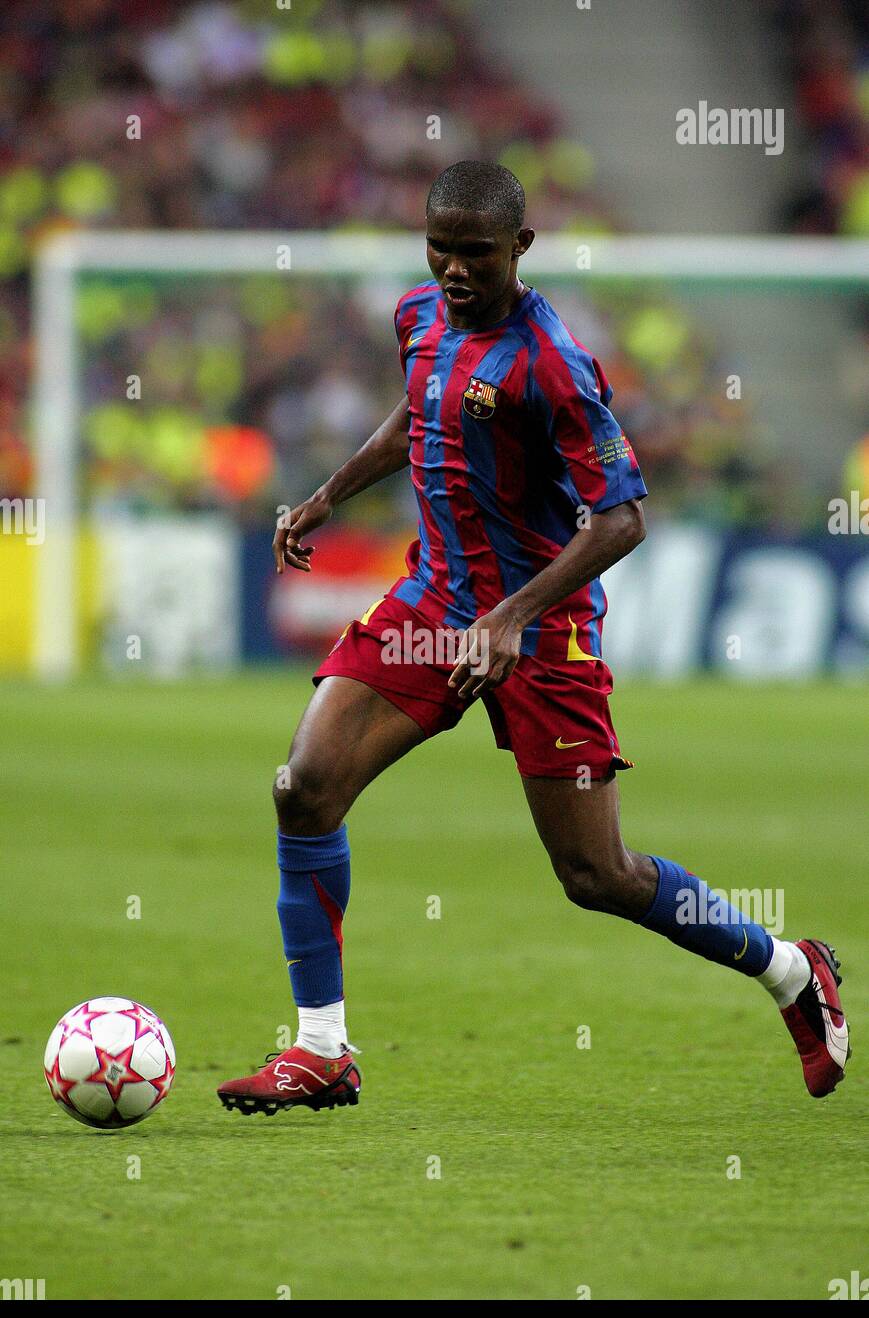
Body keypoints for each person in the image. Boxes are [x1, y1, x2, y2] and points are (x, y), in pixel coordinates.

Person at [218, 161, 849, 1116]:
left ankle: (790, 973)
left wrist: (511, 615)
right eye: (441, 249)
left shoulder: (551, 362)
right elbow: (416, 415)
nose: (455, 270)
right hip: (432, 609)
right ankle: (321, 1049)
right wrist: (326, 494)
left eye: (476, 253)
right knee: (304, 789)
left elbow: (623, 517)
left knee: (596, 876)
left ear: (520, 249)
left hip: (541, 631)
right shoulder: (417, 318)